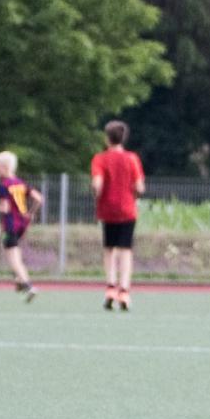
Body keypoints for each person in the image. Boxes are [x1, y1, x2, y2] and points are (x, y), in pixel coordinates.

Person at [91, 120, 145, 312]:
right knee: (126, 250)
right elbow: (140, 187)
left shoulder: (100, 159)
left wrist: (97, 195)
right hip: (127, 210)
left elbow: (97, 184)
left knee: (109, 249)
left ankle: (110, 288)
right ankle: (124, 291)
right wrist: (133, 195)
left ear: (107, 138)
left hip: (107, 210)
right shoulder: (132, 158)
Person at [0, 151, 41, 301]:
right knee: (15, 254)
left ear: (4, 167)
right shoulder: (20, 183)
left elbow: (5, 208)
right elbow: (38, 198)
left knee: (13, 258)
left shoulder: (4, 185)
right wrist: (30, 213)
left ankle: (27, 285)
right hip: (22, 224)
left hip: (10, 225)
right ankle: (19, 280)